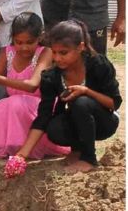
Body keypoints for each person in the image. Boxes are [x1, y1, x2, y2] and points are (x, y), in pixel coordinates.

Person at [15, 19, 121, 172]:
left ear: (80, 47)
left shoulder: (98, 65)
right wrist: (21, 155)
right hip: (78, 120)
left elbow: (113, 103)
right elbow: (43, 117)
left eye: (63, 53)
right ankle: (76, 151)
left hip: (105, 121)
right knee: (54, 128)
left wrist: (86, 91)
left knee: (81, 102)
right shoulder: (52, 76)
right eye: (55, 52)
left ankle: (89, 159)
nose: (57, 58)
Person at [0, 12, 69, 159]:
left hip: (40, 109)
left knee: (15, 103)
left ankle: (26, 148)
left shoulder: (45, 52)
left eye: (29, 42)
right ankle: (12, 148)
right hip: (14, 108)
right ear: (12, 38)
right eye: (18, 42)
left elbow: (33, 85)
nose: (24, 48)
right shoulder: (6, 52)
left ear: (40, 38)